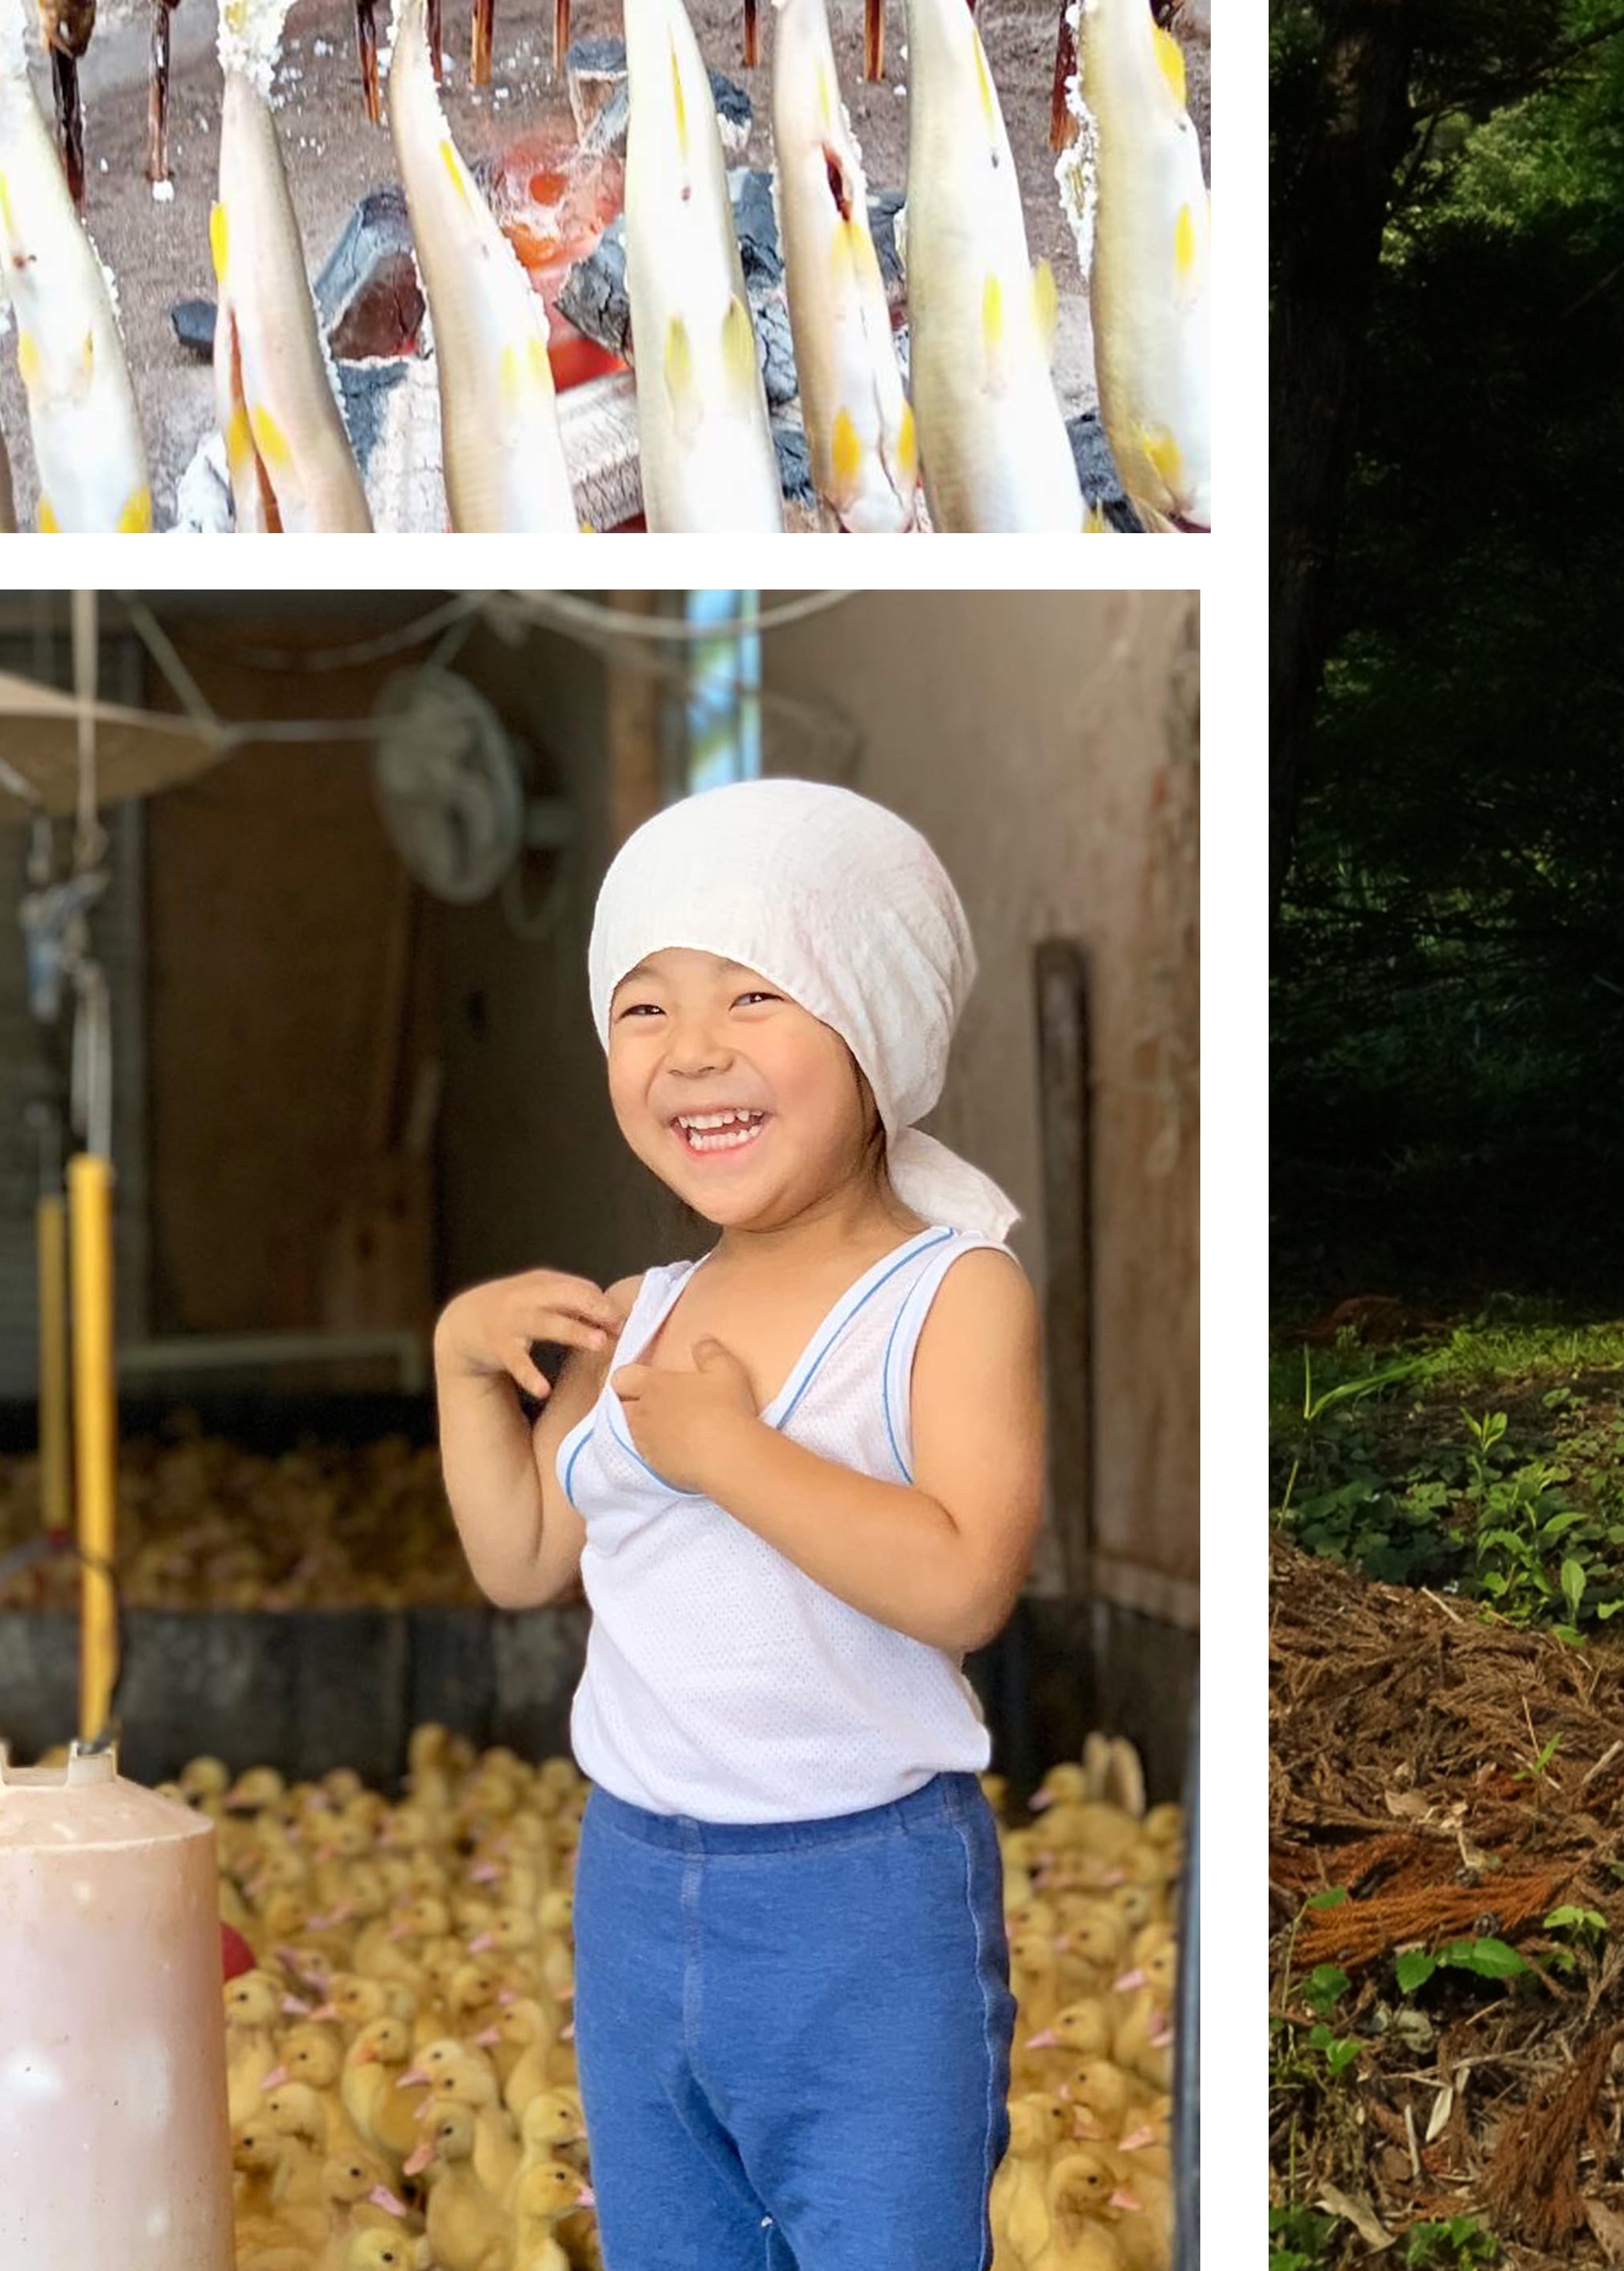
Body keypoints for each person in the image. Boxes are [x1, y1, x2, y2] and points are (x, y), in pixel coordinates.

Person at [432, 778, 1045, 2271]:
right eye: (642, 1009)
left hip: (863, 1898)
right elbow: (520, 1558)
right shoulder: (636, 1314)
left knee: (883, 2237)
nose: (692, 1048)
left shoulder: (950, 1293)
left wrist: (730, 1452)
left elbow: (965, 1579)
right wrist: (458, 1363)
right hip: (637, 1882)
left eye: (756, 993)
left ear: (874, 1031)